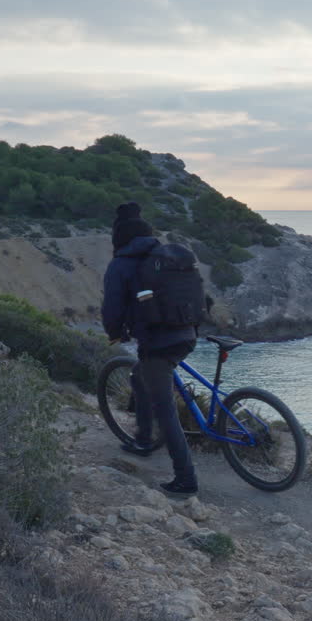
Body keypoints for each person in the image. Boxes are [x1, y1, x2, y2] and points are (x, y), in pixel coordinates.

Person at [101, 202, 199, 497]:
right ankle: (144, 439)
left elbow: (112, 307)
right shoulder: (165, 256)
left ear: (119, 239)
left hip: (158, 341)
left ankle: (186, 480)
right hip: (189, 331)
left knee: (165, 409)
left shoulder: (120, 265)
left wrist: (114, 332)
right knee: (139, 377)